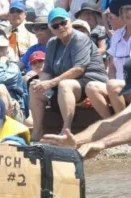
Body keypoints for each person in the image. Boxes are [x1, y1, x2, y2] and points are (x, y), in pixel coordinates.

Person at [29, 8, 108, 140]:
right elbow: (47, 71)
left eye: (63, 22)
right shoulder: (52, 43)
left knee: (65, 85)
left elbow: (79, 69)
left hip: (91, 78)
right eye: (55, 25)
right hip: (67, 82)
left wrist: (51, 82)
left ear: (70, 21)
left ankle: (66, 130)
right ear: (51, 29)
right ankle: (37, 131)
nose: (60, 27)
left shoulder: (79, 38)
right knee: (34, 89)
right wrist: (41, 81)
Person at [86, 0, 131, 118]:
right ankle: (111, 122)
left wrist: (113, 85)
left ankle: (121, 124)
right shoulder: (116, 35)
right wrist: (110, 85)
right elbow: (112, 67)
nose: (129, 12)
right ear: (120, 14)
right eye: (125, 9)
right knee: (91, 87)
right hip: (118, 87)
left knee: (113, 85)